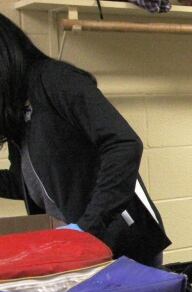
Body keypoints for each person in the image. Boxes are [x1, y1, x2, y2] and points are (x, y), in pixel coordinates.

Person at [0, 14, 170, 267]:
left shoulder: (55, 80)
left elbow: (124, 144)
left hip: (119, 241)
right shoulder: (19, 110)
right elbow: (29, 182)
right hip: (76, 245)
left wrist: (88, 227)